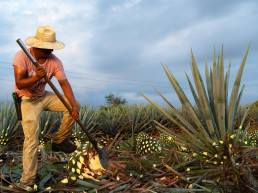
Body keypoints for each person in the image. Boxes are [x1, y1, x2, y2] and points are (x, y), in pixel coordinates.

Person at [13, 26, 81, 186]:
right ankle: (27, 180)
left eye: (51, 47)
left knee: (74, 105)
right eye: (47, 48)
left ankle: (59, 140)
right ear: (36, 46)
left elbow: (64, 84)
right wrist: (37, 77)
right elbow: (20, 83)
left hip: (43, 96)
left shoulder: (55, 61)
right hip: (27, 98)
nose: (50, 50)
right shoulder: (21, 56)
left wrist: (74, 108)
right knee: (31, 139)